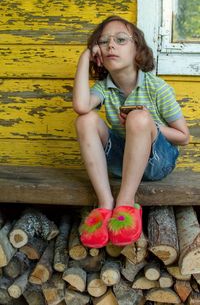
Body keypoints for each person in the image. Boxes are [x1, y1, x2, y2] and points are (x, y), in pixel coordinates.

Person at [72, 16, 190, 248]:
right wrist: (84, 58)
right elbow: (81, 106)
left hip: (156, 162)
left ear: (138, 49)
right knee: (85, 120)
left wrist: (147, 125)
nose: (110, 46)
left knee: (139, 117)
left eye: (121, 40)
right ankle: (105, 202)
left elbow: (183, 136)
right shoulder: (104, 88)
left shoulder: (156, 87)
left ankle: (126, 202)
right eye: (103, 42)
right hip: (121, 164)